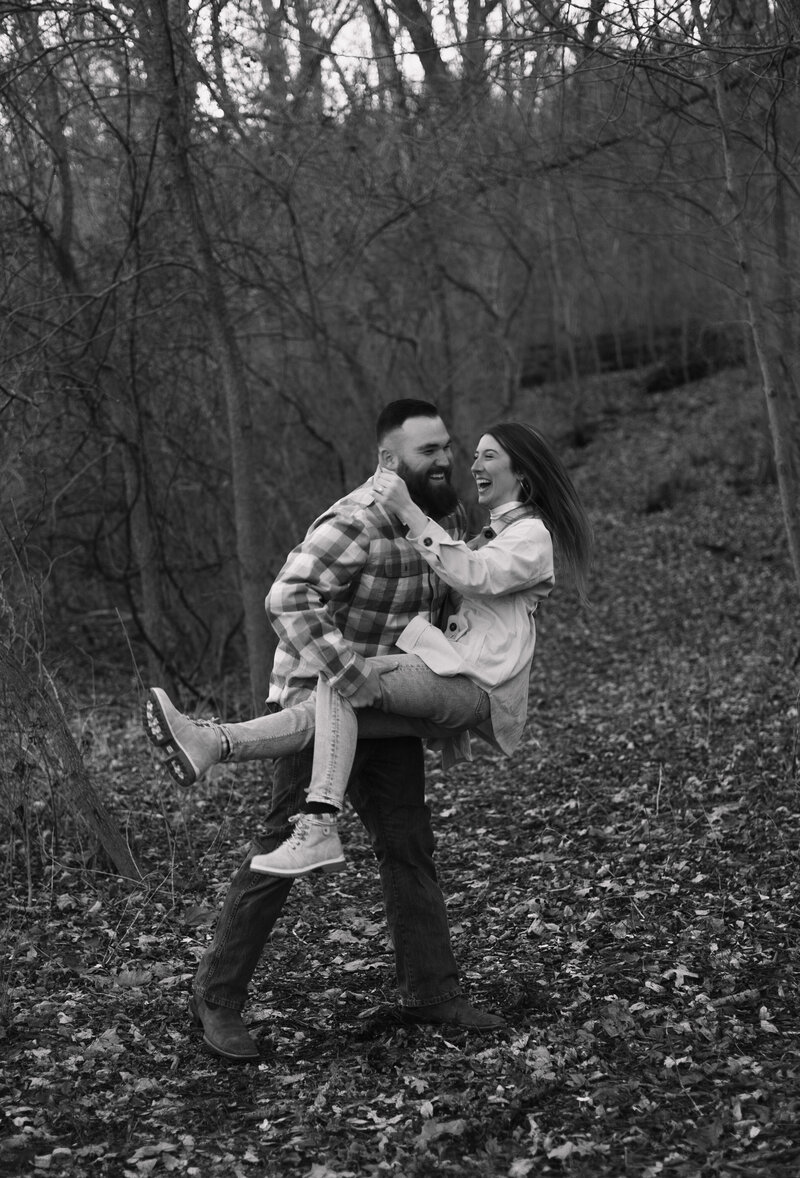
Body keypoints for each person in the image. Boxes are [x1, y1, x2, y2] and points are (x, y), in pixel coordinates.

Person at [165, 400, 515, 1062]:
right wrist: (346, 674)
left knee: (409, 846)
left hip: (383, 712)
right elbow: (286, 598)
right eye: (426, 452)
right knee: (281, 851)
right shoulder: (356, 519)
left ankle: (431, 991)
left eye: (446, 447)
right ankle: (216, 1000)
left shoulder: (436, 522)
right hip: (322, 708)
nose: (443, 460)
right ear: (389, 460)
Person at [144, 422, 592, 889]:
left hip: (478, 685)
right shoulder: (486, 530)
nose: (473, 466)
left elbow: (474, 575)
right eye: (474, 455)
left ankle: (318, 824)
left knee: (346, 674)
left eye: (489, 456)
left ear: (521, 472)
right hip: (452, 675)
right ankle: (212, 742)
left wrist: (408, 511)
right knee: (328, 706)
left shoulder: (531, 536)